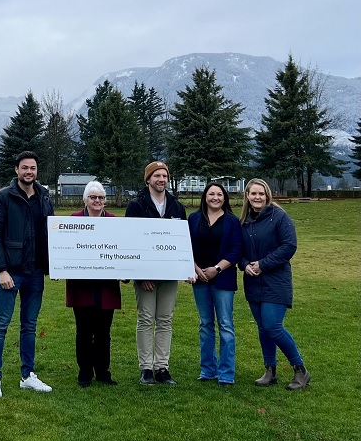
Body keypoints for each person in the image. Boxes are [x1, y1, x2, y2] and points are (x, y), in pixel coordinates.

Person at [0, 151, 54, 398]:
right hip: (10, 273)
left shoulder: (44, 197)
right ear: (16, 170)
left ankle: (28, 375)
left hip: (35, 273)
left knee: (29, 326)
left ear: (37, 171)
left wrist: (53, 265)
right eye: (25, 168)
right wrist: (1, 270)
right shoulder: (3, 198)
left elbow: (52, 234)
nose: (29, 172)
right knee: (1, 325)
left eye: (33, 168)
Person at [239, 178, 310, 390]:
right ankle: (270, 370)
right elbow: (238, 251)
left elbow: (289, 246)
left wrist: (262, 264)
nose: (257, 197)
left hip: (276, 281)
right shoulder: (243, 221)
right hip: (253, 281)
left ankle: (300, 370)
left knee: (272, 325)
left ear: (267, 195)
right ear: (247, 196)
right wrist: (244, 265)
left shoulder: (279, 217)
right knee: (263, 328)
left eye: (261, 193)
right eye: (253, 194)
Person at [125, 161, 186, 385]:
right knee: (145, 318)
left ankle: (162, 367)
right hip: (146, 278)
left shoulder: (177, 207)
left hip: (169, 275)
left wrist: (184, 268)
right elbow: (130, 242)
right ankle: (146, 368)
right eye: (157, 176)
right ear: (148, 179)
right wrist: (141, 275)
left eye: (164, 176)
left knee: (165, 320)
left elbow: (182, 243)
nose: (161, 179)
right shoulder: (136, 206)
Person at [66, 181, 121, 387]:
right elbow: (65, 250)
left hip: (106, 287)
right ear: (85, 200)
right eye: (93, 197)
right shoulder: (74, 220)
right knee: (84, 330)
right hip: (82, 287)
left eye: (100, 198)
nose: (97, 201)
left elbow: (122, 251)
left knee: (103, 332)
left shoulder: (114, 221)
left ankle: (103, 371)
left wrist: (124, 272)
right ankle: (85, 372)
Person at [187, 183, 241, 386]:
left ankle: (226, 372)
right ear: (205, 197)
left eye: (219, 194)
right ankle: (208, 370)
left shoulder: (232, 221)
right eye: (211, 194)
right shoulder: (193, 219)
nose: (215, 197)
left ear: (225, 198)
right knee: (205, 324)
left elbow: (236, 250)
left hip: (223, 279)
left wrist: (216, 269)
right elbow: (186, 247)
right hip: (199, 279)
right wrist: (195, 268)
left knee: (225, 325)